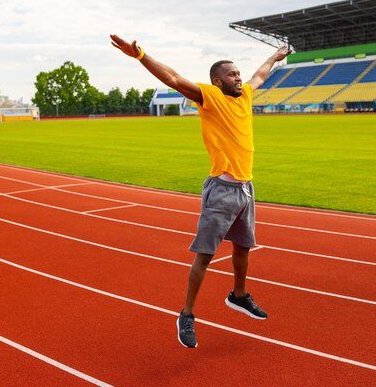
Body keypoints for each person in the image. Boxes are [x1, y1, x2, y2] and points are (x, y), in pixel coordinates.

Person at [110, 34, 291, 348]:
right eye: (232, 74)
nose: (239, 77)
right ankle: (187, 314)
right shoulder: (209, 96)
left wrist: (275, 57)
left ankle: (238, 295)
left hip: (246, 188)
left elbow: (259, 75)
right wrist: (140, 54)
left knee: (243, 249)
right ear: (217, 82)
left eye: (238, 73)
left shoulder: (246, 94)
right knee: (205, 256)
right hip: (221, 189)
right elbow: (174, 78)